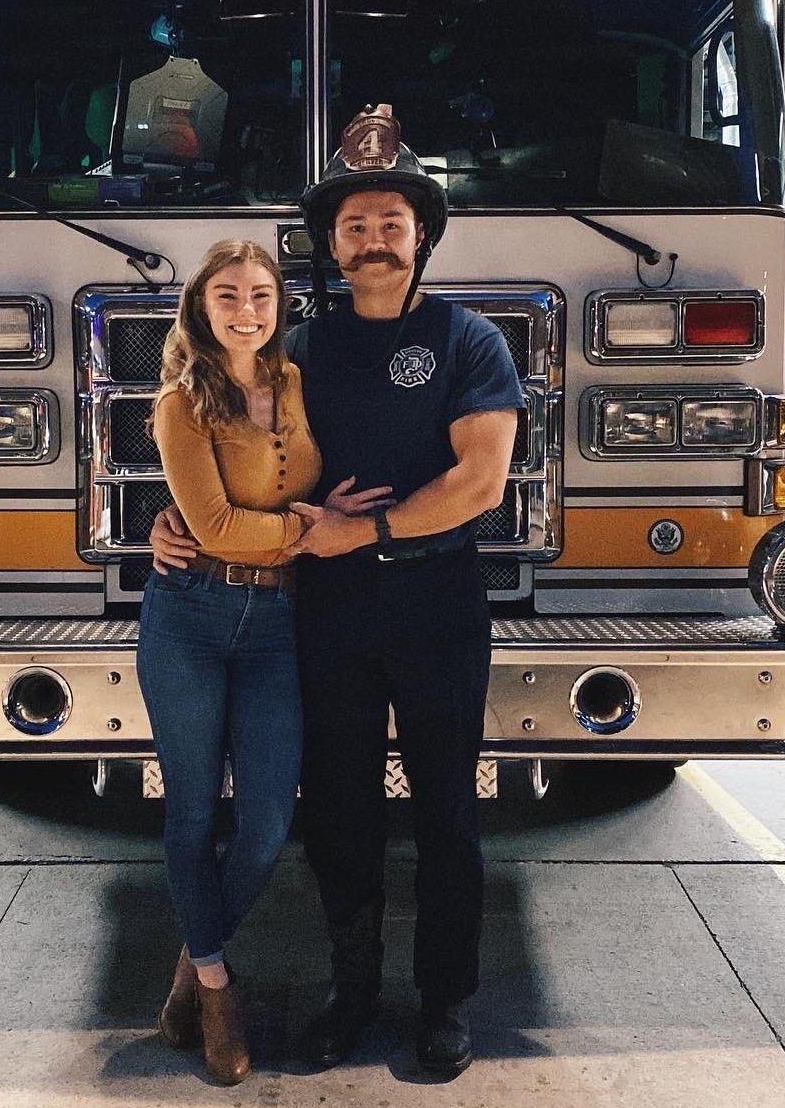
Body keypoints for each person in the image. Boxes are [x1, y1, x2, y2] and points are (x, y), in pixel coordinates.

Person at [151, 104, 522, 1077]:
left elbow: (481, 481)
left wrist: (370, 527)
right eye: (354, 228)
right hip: (325, 610)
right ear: (331, 244)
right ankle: (350, 993)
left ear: (422, 238)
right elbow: (232, 443)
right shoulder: (300, 350)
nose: (373, 242)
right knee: (341, 814)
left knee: (447, 810)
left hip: (438, 603)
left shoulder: (469, 342)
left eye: (391, 226)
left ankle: (443, 1004)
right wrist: (176, 520)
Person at [138, 238, 390, 1085]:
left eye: (260, 295)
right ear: (201, 308)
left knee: (267, 824)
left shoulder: (298, 381)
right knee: (191, 811)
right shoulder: (181, 402)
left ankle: (190, 957)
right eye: (227, 296)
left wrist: (322, 521)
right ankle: (215, 990)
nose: (247, 310)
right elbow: (209, 527)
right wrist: (312, 530)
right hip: (192, 618)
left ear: (280, 304)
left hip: (282, 621)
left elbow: (351, 461)